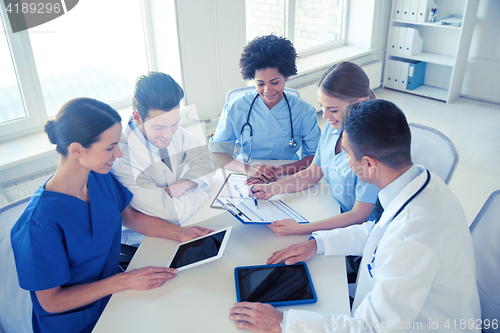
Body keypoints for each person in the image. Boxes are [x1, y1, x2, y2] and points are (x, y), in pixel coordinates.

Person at [228, 99, 481, 332]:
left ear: (369, 164)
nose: (344, 160)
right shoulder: (423, 182)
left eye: (347, 154)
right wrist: (319, 243)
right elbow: (378, 231)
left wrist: (285, 323)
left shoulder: (411, 240)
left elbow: (371, 328)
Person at [10, 98, 212, 333]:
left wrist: (181, 233)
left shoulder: (98, 177)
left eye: (117, 144)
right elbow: (51, 302)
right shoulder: (38, 223)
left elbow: (132, 218)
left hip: (115, 298)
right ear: (77, 149)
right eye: (109, 147)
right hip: (75, 322)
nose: (118, 153)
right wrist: (125, 280)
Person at [251, 62, 379, 236]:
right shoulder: (334, 125)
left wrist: (302, 229)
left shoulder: (373, 148)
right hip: (333, 209)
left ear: (358, 103)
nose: (325, 116)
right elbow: (313, 173)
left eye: (333, 109)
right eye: (322, 107)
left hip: (363, 231)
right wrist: (272, 188)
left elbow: (359, 216)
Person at [111, 72, 215, 246]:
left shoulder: (170, 128)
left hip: (188, 224)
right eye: (159, 127)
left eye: (174, 124)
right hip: (147, 242)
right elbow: (171, 213)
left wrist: (185, 183)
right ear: (137, 118)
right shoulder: (122, 158)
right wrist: (203, 190)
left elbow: (208, 159)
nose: (168, 134)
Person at [209, 34, 321, 184]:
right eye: (260, 83)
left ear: (286, 76)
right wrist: (249, 170)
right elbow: (219, 153)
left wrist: (279, 170)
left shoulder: (304, 112)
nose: (268, 90)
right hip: (244, 173)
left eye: (274, 82)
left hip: (288, 174)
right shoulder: (235, 108)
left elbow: (315, 157)